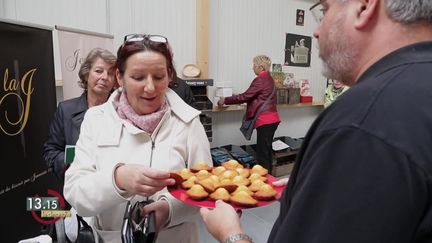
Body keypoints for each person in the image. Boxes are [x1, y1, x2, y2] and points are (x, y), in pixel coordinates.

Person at [201, 0, 432, 242]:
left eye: (324, 10)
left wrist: (231, 234)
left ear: (365, 7)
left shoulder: (361, 119)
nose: (316, 31)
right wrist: (318, 180)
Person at [64, 34, 212, 243]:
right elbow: (75, 194)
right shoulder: (96, 120)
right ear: (119, 77)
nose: (150, 87)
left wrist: (169, 209)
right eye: (138, 77)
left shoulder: (188, 123)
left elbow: (206, 189)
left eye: (159, 77)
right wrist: (117, 179)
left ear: (170, 76)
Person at [43, 47, 117, 180]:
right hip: (77, 188)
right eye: (99, 71)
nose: (105, 77)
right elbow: (51, 151)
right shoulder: (66, 110)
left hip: (113, 189)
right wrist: (73, 165)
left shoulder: (120, 112)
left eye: (111, 73)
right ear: (86, 75)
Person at [218, 55, 280, 173]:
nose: (253, 68)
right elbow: (255, 96)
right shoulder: (269, 79)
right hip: (272, 119)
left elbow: (245, 96)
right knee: (266, 151)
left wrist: (225, 100)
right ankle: (268, 177)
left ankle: (264, 181)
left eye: (254, 66)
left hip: (265, 120)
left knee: (262, 154)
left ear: (261, 67)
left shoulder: (260, 79)